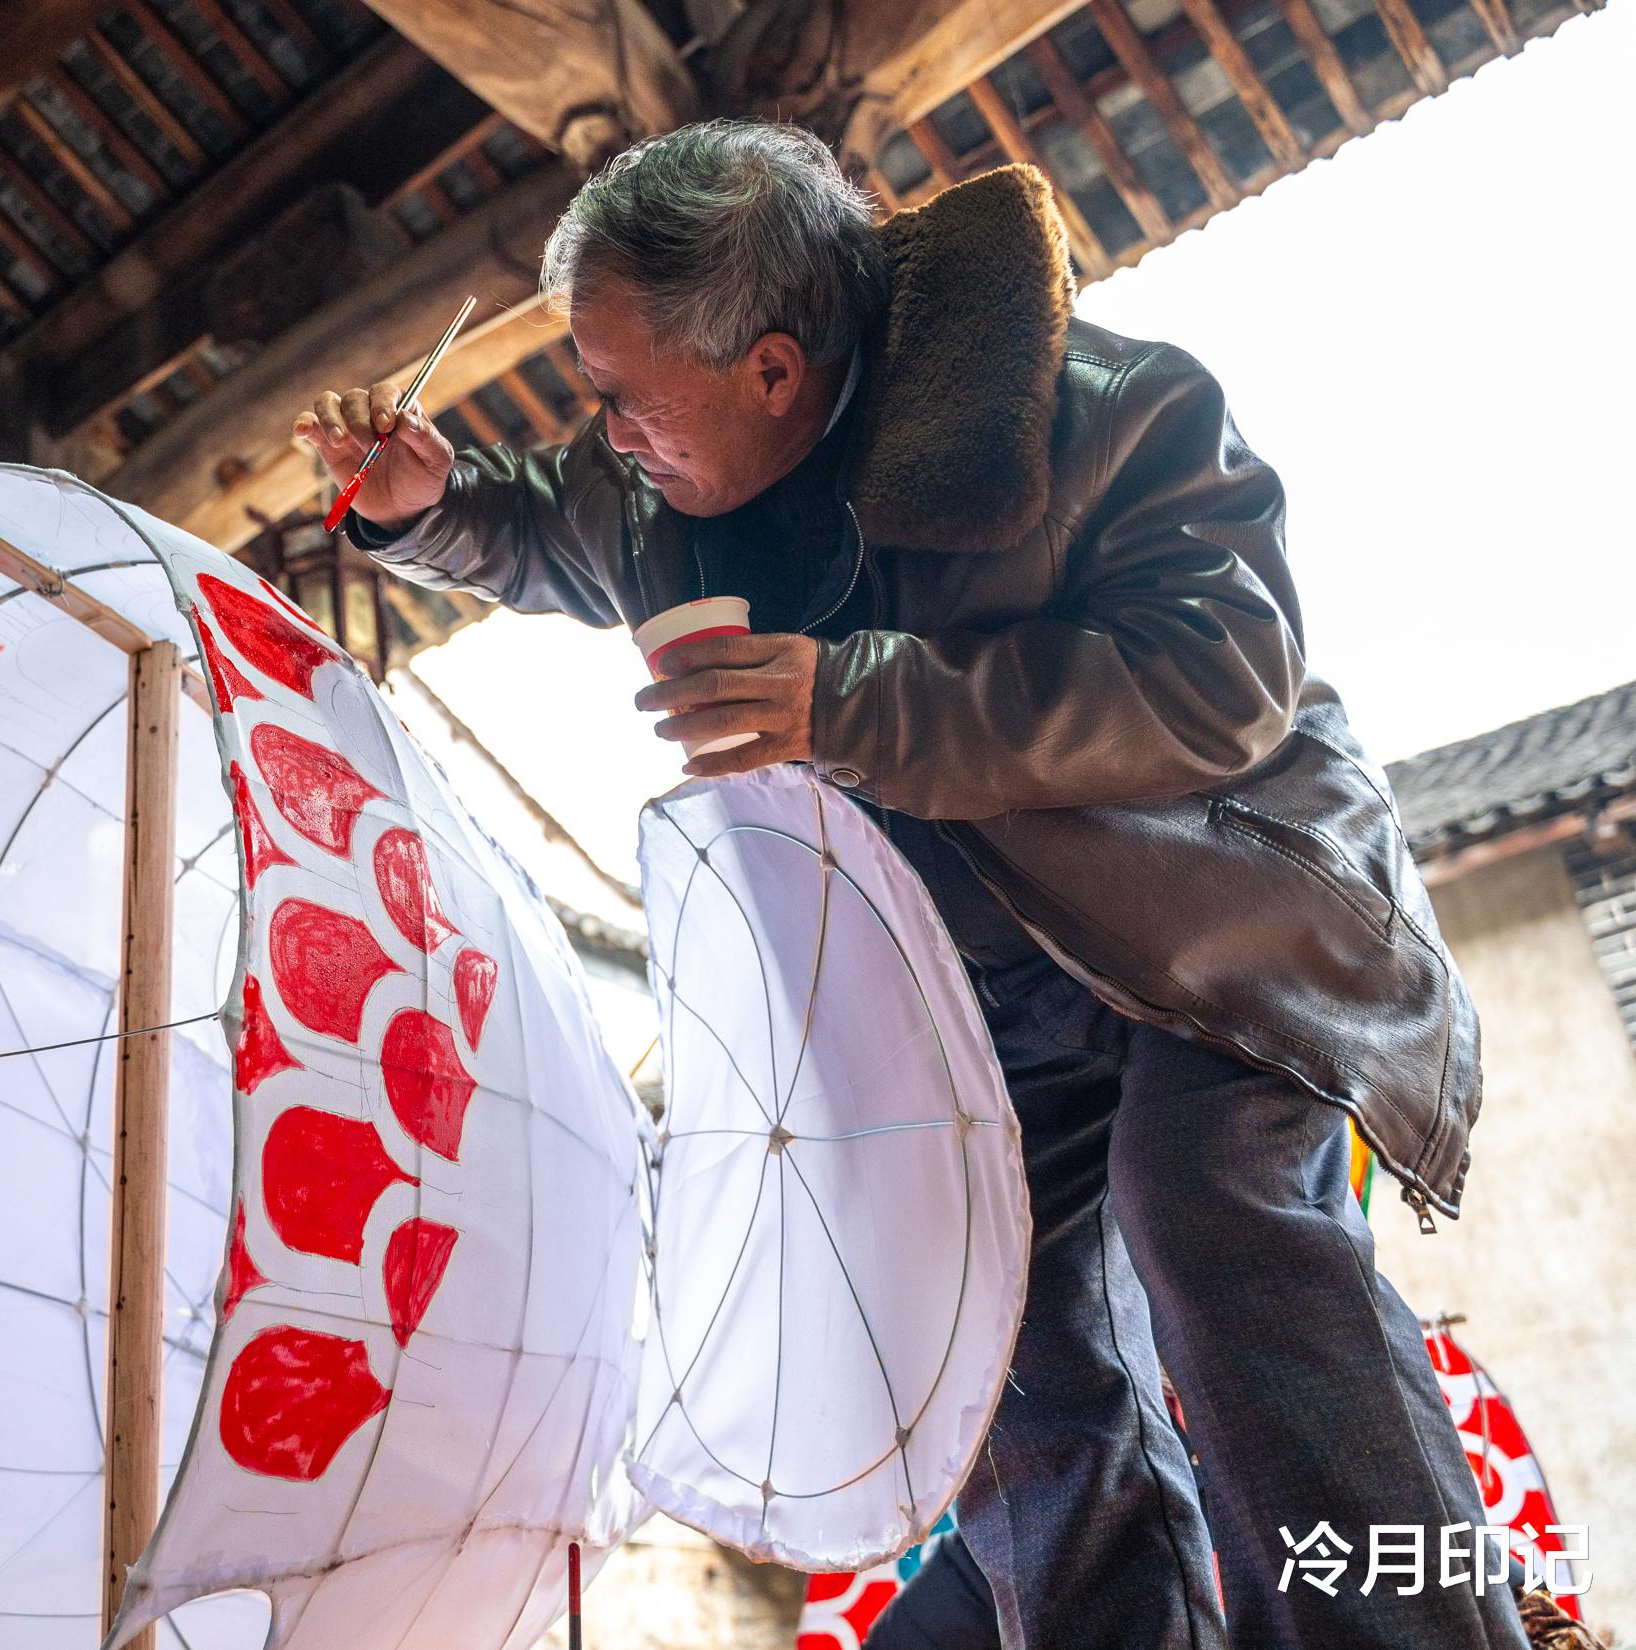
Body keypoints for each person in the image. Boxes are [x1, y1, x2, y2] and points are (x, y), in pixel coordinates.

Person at [295, 120, 1530, 1650]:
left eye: (620, 394)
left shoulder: (1108, 413)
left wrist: (858, 706)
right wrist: (427, 501)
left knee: (1207, 1207)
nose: (600, 427)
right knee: (985, 1332)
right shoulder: (658, 494)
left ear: (772, 368)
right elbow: (547, 519)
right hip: (981, 995)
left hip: (1218, 929)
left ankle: (1432, 1629)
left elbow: (1224, 685)